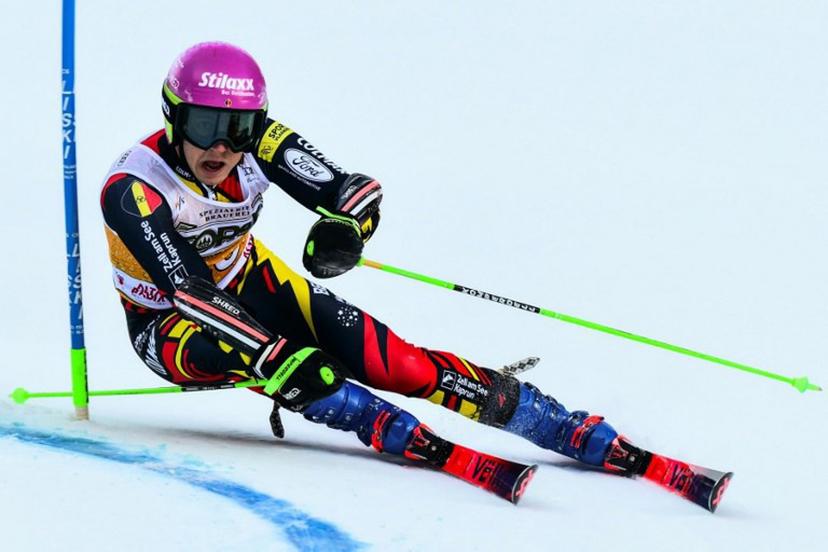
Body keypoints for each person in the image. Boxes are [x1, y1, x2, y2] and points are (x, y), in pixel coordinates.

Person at [100, 41, 646, 480]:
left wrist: (348, 230)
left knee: (399, 363)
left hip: (248, 279)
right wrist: (274, 354)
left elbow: (355, 190)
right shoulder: (134, 188)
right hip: (167, 324)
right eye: (204, 127)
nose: (221, 147)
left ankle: (552, 423)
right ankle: (370, 418)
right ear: (173, 118)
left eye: (238, 128)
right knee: (298, 369)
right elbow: (191, 291)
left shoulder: (261, 143)